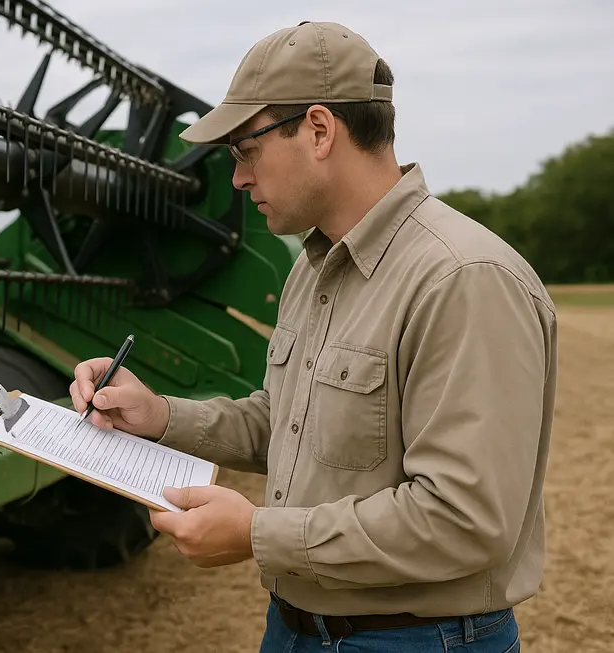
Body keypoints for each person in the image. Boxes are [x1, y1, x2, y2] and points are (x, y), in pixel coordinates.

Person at [68, 19, 556, 653]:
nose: (238, 178)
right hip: (297, 629)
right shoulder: (314, 265)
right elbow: (288, 425)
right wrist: (159, 416)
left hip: (420, 641)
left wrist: (257, 535)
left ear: (320, 130)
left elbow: (464, 522)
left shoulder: (462, 279)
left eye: (245, 149)